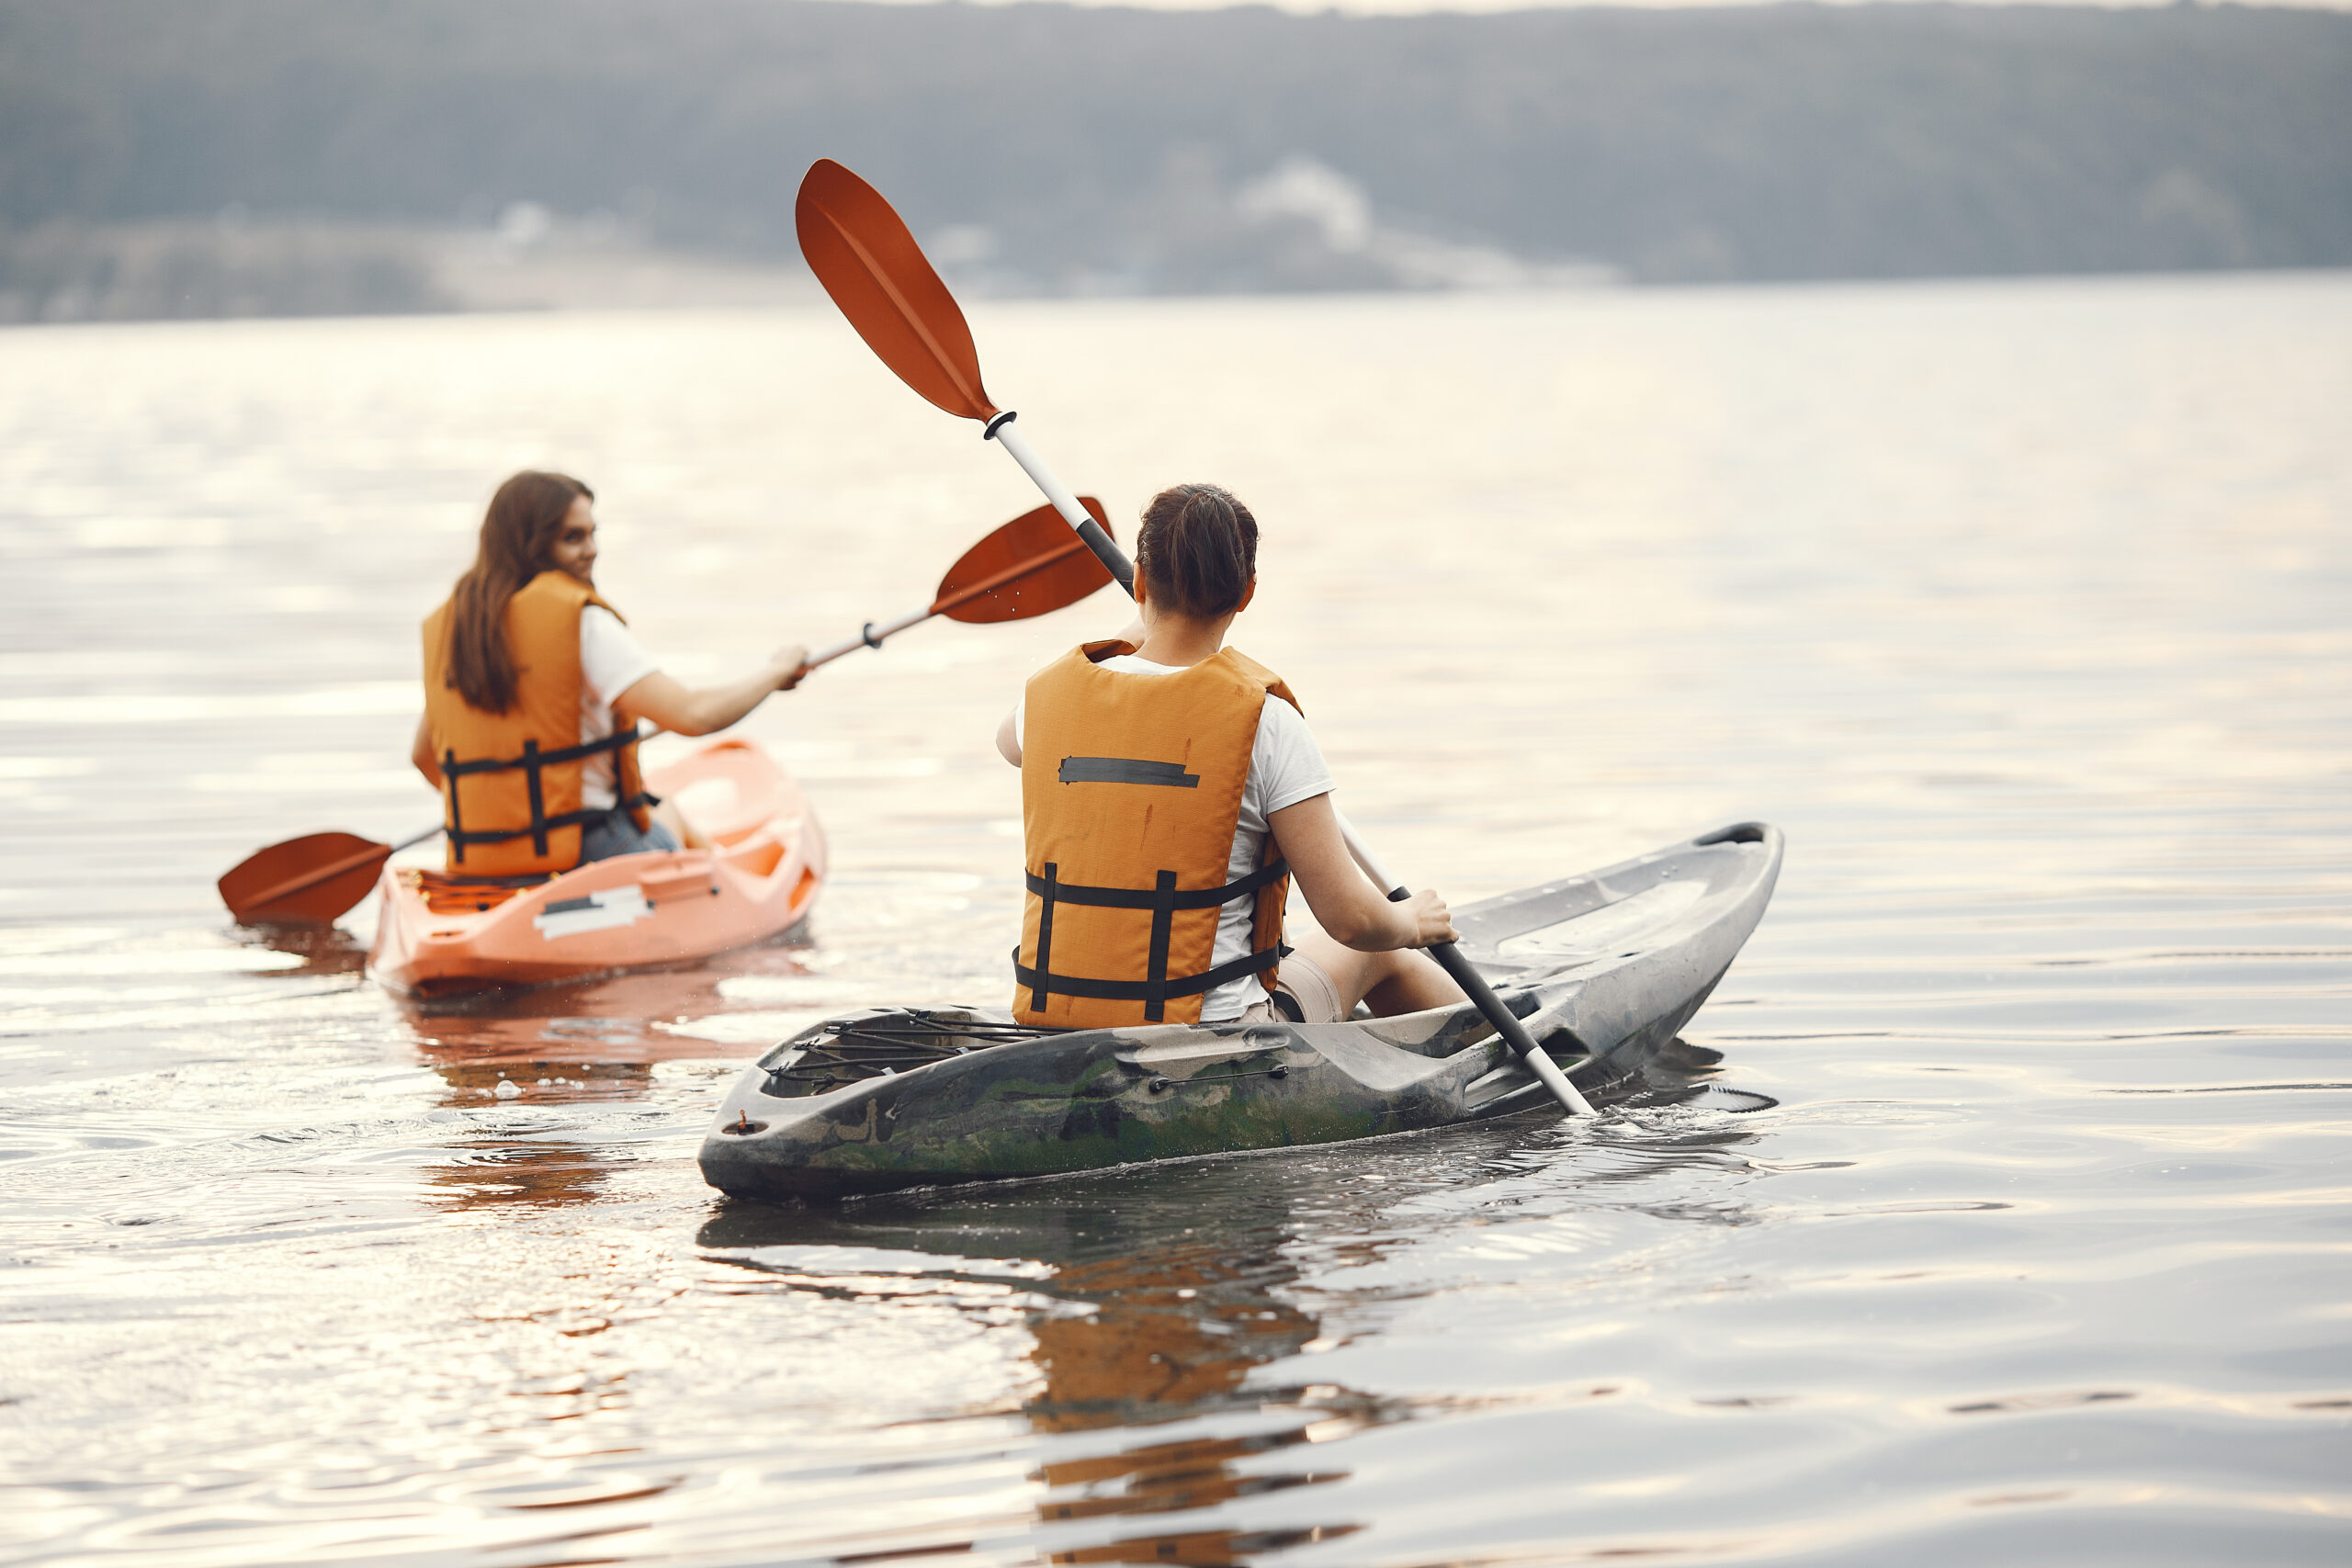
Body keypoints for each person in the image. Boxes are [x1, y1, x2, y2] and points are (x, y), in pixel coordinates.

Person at [994, 482, 1464, 1028]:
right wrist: (1412, 923)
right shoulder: (1266, 721)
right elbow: (1351, 920)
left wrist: (1144, 621)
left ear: (1141, 582)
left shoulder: (1046, 700)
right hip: (1214, 1038)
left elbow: (1009, 743)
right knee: (1380, 950)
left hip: (1057, 1024)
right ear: (1247, 593)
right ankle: (1498, 1045)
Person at [411, 470, 808, 876]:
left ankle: (721, 871)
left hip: (487, 863)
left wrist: (508, 820)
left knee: (664, 808)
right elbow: (694, 715)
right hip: (595, 851)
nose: (591, 550)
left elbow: (424, 758)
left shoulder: (461, 635)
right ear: (530, 544)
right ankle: (735, 882)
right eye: (572, 538)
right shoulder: (580, 624)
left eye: (592, 534)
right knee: (665, 810)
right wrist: (776, 673)